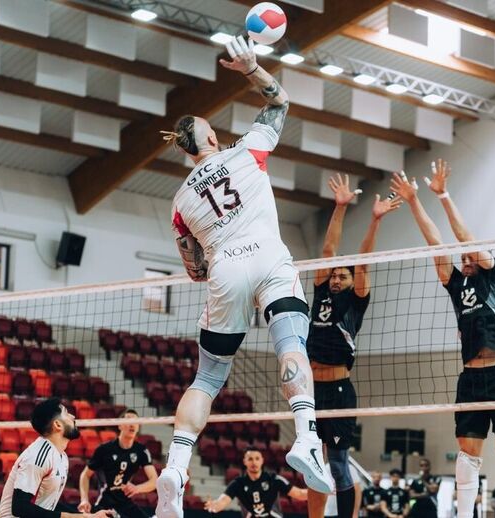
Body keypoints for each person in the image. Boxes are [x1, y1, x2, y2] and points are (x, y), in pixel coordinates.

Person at [157, 35, 331, 518]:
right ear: (212, 140)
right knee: (292, 347)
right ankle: (307, 437)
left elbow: (194, 268)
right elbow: (280, 102)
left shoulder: (180, 202)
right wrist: (253, 68)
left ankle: (175, 465)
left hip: (226, 267)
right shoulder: (247, 151)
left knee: (208, 377)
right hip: (272, 258)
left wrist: (214, 258)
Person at [393, 160, 495, 518]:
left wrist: (444, 195)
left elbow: (466, 239)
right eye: (463, 257)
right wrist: (413, 201)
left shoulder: (494, 276)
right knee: (468, 451)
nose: (465, 257)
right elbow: (436, 243)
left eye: (470, 254)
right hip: (471, 377)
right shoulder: (456, 284)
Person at [307, 173, 402, 518]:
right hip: (311, 389)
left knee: (338, 465)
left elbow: (361, 260)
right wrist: (340, 208)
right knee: (311, 462)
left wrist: (374, 220)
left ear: (351, 282)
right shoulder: (321, 291)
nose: (335, 278)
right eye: (334, 275)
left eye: (341, 276)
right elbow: (328, 249)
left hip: (340, 391)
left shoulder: (356, 299)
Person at [0, 398, 112, 518]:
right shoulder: (38, 455)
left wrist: (89, 516)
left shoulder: (62, 457)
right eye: (66, 413)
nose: (72, 416)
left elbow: (47, 509)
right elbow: (20, 508)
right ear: (57, 425)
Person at [79, 410, 157, 518]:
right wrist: (84, 499)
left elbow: (154, 481)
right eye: (128, 419)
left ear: (138, 426)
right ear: (119, 425)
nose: (132, 424)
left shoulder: (141, 451)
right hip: (105, 502)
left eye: (136, 421)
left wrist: (137, 488)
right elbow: (85, 475)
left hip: (125, 503)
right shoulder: (104, 449)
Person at [204, 447, 307, 518]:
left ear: (262, 460)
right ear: (244, 461)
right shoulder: (238, 484)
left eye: (257, 459)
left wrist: (320, 489)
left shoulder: (274, 479)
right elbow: (223, 501)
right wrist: (215, 505)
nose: (254, 462)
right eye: (250, 459)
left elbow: (300, 494)